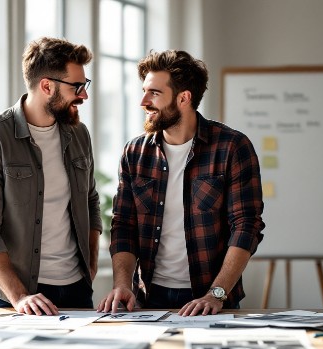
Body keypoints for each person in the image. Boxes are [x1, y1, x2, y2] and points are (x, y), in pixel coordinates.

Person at [97, 50, 265, 316]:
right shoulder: (135, 153)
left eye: (154, 93)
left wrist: (217, 294)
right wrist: (121, 284)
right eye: (144, 91)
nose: (143, 101)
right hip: (150, 297)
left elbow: (246, 226)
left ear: (184, 98)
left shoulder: (232, 147)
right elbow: (124, 225)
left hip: (212, 298)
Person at [0, 37, 102, 315]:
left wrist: (91, 263)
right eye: (77, 87)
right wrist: (19, 296)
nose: (84, 95)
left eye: (85, 86)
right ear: (47, 86)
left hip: (75, 287)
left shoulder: (79, 134)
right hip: (13, 293)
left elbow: (90, 200)